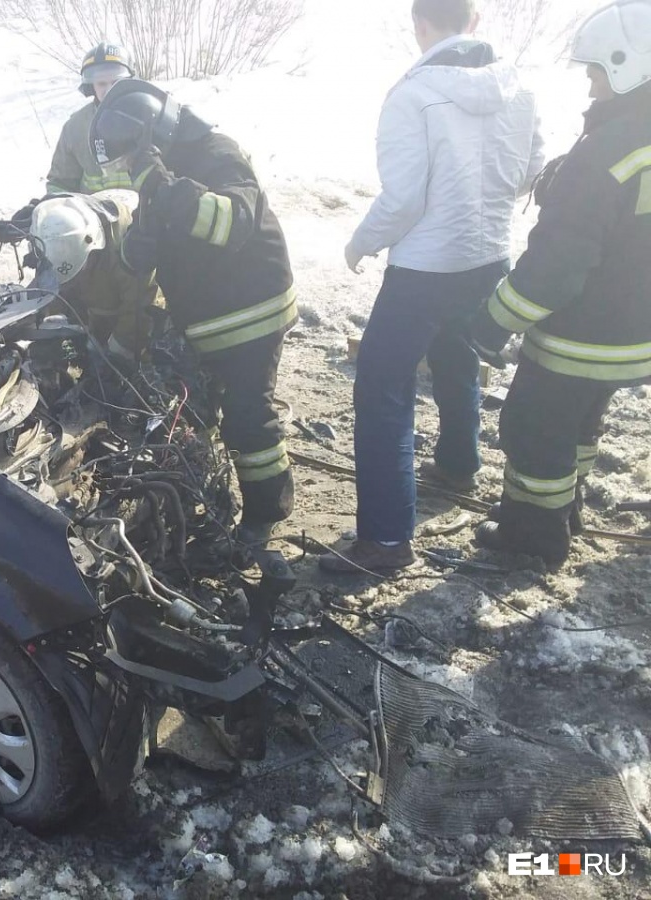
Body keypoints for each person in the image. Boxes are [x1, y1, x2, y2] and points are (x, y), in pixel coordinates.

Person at [320, 0, 545, 574]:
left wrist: (360, 242)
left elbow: (404, 198)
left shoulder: (412, 95)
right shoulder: (521, 89)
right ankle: (456, 464)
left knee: (382, 387)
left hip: (423, 268)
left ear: (420, 26)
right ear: (473, 22)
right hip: (488, 256)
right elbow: (530, 171)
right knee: (457, 358)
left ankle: (386, 539)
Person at [471, 0, 651, 566]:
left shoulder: (605, 153)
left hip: (582, 336)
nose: (591, 83)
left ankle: (534, 539)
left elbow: (556, 268)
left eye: (596, 70)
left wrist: (490, 322)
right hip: (634, 332)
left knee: (534, 427)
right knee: (580, 423)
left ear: (628, 66)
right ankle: (565, 509)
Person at [89, 79, 297, 541]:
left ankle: (266, 516)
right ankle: (196, 493)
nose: (128, 170)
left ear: (150, 136)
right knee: (185, 413)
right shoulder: (163, 172)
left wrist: (161, 187)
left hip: (251, 312)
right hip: (203, 319)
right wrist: (133, 251)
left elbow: (229, 223)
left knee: (248, 416)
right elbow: (150, 237)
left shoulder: (219, 154)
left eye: (129, 159)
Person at [27, 189, 160, 357]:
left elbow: (140, 308)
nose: (76, 281)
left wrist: (118, 354)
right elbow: (52, 287)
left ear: (92, 249)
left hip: (141, 292)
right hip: (101, 289)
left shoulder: (130, 248)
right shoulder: (55, 236)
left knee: (133, 349)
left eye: (79, 273)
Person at [46, 43, 137, 195]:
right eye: (102, 83)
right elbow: (60, 183)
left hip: (149, 216)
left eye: (116, 82)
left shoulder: (150, 116)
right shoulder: (75, 127)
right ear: (91, 86)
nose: (109, 90)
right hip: (95, 216)